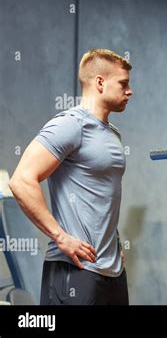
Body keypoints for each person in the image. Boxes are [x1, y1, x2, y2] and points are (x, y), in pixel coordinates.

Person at [9, 49, 133, 305]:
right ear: (100, 82)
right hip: (75, 270)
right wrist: (60, 236)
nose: (129, 91)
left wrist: (115, 243)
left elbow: (103, 197)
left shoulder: (113, 134)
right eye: (123, 83)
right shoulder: (70, 124)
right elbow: (21, 180)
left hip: (113, 272)